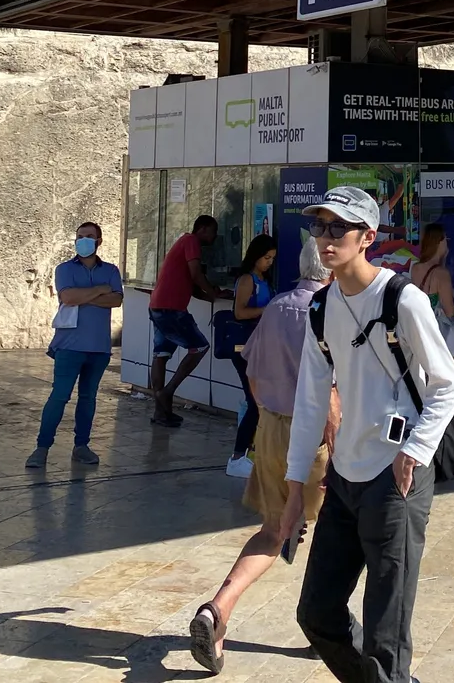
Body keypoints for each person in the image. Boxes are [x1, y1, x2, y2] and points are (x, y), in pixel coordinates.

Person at [280, 186, 454, 683]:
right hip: (344, 478)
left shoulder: (403, 298)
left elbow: (448, 383)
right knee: (316, 614)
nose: (326, 237)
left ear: (367, 237)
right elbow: (311, 402)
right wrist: (296, 489)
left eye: (339, 227)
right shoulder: (320, 308)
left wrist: (416, 451)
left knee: (386, 640)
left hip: (396, 478)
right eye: (320, 227)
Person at [188, 242, 338, 675]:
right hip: (314, 433)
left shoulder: (275, 308)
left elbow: (252, 372)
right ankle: (323, 626)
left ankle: (218, 609)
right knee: (334, 532)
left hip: (271, 426)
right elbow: (331, 390)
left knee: (273, 530)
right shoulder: (328, 311)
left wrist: (268, 420)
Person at [25, 223, 123, 469]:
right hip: (69, 345)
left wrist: (85, 295)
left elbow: (117, 299)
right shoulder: (64, 269)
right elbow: (67, 297)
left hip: (99, 347)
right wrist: (100, 290)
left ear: (99, 241)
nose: (84, 240)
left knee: (88, 398)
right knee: (59, 396)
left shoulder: (111, 270)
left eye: (89, 237)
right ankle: (42, 448)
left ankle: (81, 445)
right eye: (80, 237)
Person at [148, 214, 226, 426]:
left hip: (158, 306)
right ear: (202, 229)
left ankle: (160, 412)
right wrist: (211, 292)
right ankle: (167, 392)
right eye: (213, 231)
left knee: (161, 354)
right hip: (172, 309)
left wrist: (212, 294)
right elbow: (195, 275)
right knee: (199, 347)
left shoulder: (181, 243)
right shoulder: (191, 241)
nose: (214, 237)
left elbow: (190, 287)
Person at [225, 233, 277, 478]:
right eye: (266, 257)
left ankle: (250, 452)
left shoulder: (263, 279)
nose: (269, 262)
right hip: (245, 348)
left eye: (272, 258)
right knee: (255, 403)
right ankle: (237, 456)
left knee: (257, 402)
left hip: (261, 346)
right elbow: (239, 312)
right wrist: (266, 310)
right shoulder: (247, 280)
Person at [411, 222, 454, 380]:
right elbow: (450, 311)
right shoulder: (442, 274)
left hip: (423, 329)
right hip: (445, 332)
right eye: (446, 239)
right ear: (440, 241)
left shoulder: (416, 268)